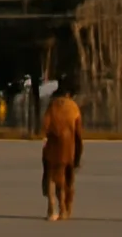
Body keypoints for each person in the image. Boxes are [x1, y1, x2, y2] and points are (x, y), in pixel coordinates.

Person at [41, 88, 83, 221]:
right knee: (66, 179)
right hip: (68, 148)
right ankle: (64, 208)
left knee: (50, 176)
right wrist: (78, 156)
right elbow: (78, 135)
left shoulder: (51, 106)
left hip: (52, 148)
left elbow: (45, 126)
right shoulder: (73, 108)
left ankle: (51, 207)